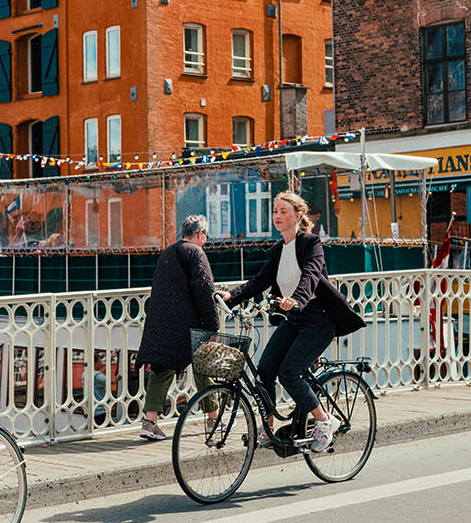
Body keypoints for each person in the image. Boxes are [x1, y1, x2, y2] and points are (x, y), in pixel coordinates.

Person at [224, 190, 360, 452]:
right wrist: (230, 295)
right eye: (275, 211)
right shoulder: (278, 250)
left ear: (298, 216)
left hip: (319, 320)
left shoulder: (311, 243)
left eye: (283, 211)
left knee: (289, 372)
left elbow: (310, 274)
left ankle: (324, 420)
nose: (277, 216)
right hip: (293, 318)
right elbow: (260, 282)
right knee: (265, 368)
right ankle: (267, 428)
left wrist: (297, 299)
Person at [135, 214, 220, 441]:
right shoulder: (196, 253)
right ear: (200, 234)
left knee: (162, 370)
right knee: (204, 368)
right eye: (206, 235)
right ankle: (213, 419)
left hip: (162, 322)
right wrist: (213, 324)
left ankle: (149, 422)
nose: (206, 240)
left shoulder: (168, 252)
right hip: (188, 324)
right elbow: (204, 289)